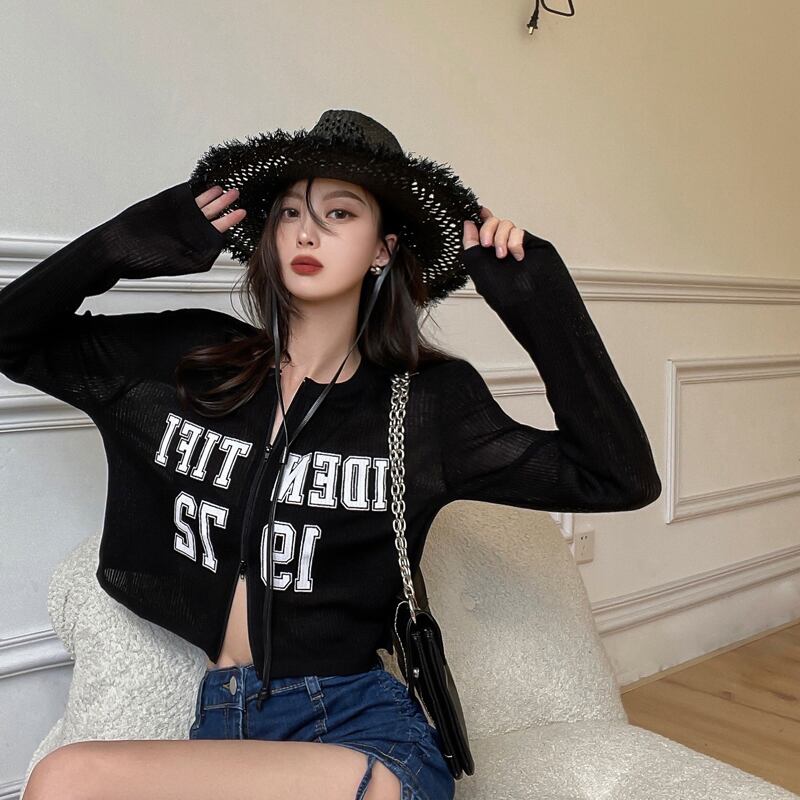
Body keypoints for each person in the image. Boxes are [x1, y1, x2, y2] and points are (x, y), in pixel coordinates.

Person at [6, 110, 661, 800]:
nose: (306, 231)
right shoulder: (188, 363)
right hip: (225, 726)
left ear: (383, 249)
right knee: (69, 783)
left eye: (339, 213)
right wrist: (126, 245)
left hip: (362, 734)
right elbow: (10, 339)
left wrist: (541, 306)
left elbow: (618, 477)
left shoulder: (428, 404)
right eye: (290, 212)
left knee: (67, 776)